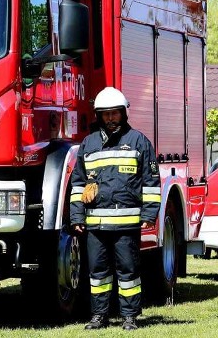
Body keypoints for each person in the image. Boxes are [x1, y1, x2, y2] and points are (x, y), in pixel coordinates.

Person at [70, 87, 161, 331]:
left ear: (123, 113)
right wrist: (77, 216)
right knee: (98, 272)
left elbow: (151, 181)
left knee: (128, 271)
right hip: (95, 224)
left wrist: (149, 214)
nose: (110, 118)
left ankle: (129, 317)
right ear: (99, 115)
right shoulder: (88, 144)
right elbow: (78, 183)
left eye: (115, 114)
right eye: (106, 114)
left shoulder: (138, 141)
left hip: (127, 224)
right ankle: (99, 316)